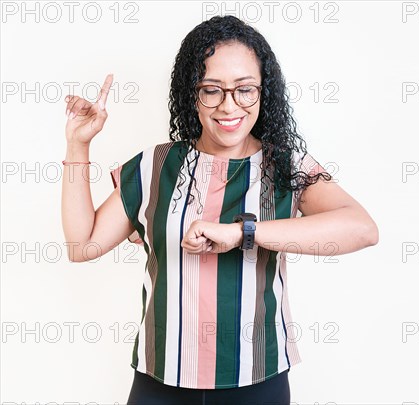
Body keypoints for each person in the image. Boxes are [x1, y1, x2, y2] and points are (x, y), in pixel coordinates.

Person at [61, 15, 378, 405]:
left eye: (245, 90)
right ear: (191, 93)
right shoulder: (153, 166)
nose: (230, 106)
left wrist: (243, 232)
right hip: (160, 381)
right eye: (212, 90)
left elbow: (362, 229)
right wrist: (78, 145)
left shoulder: (287, 166)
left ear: (264, 92)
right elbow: (82, 245)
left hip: (256, 381)